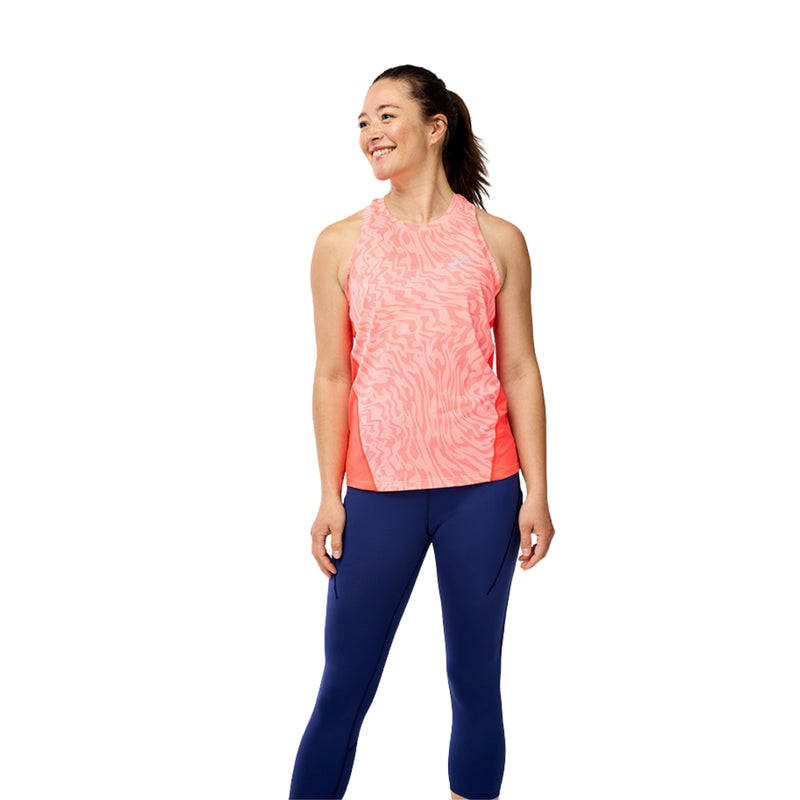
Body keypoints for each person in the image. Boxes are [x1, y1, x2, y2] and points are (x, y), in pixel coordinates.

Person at [289, 64, 555, 800]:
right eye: (362, 122)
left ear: (435, 127)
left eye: (386, 115)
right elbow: (331, 375)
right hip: (379, 493)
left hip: (485, 491)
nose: (370, 132)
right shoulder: (340, 244)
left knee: (475, 681)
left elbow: (521, 369)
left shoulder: (499, 241)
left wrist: (537, 490)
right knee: (344, 685)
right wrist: (329, 494)